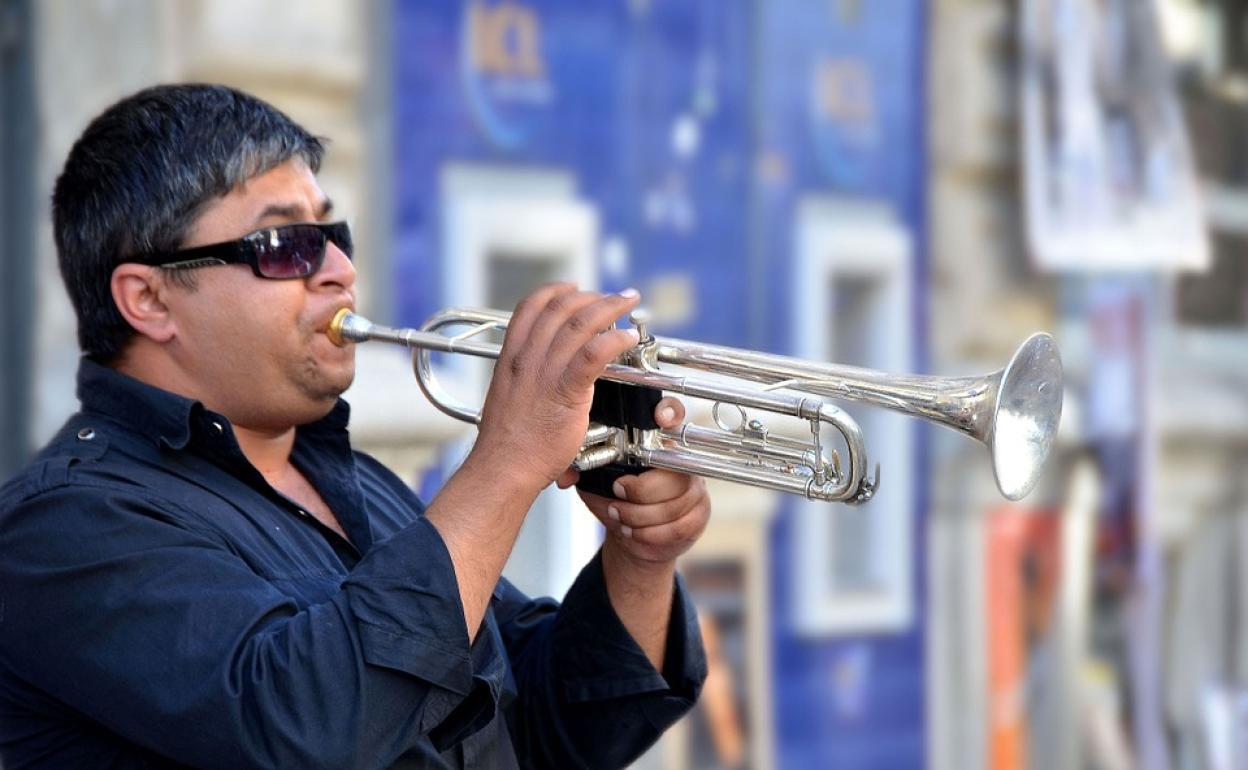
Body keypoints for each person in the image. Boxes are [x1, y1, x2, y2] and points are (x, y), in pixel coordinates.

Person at [0, 83, 710, 769]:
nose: (339, 268)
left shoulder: (354, 482)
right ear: (149, 299)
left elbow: (550, 729)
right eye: (284, 244)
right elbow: (312, 728)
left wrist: (639, 555)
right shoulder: (61, 530)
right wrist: (508, 462)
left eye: (331, 234)